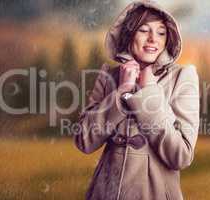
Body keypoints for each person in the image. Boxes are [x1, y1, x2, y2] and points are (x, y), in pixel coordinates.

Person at [74, 1, 200, 200]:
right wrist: (121, 92)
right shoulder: (109, 76)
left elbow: (181, 155)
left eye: (161, 33)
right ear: (129, 33)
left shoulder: (182, 77)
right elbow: (84, 140)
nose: (153, 40)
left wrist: (148, 93)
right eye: (144, 30)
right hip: (105, 193)